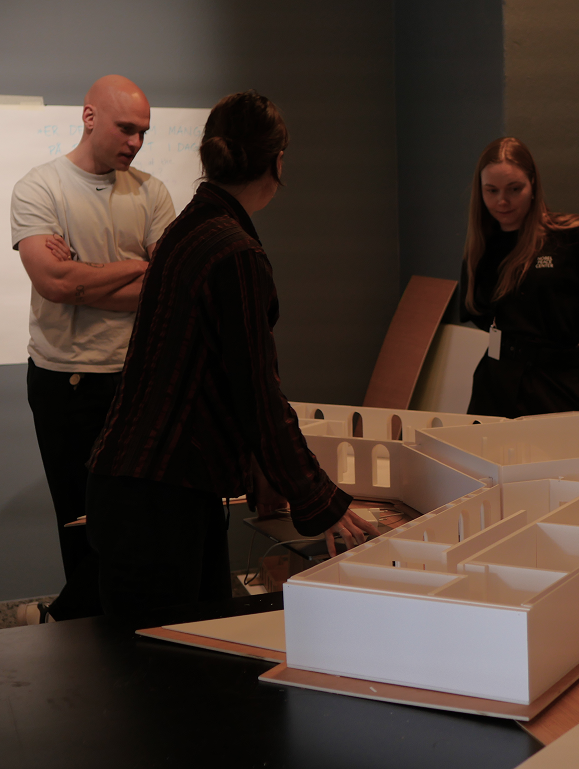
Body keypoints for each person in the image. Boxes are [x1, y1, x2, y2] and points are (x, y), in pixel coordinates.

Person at [84, 90, 377, 616]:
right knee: (175, 676)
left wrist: (263, 471)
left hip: (135, 487)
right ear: (278, 162)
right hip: (162, 501)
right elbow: (257, 394)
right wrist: (321, 502)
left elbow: (211, 376)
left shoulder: (188, 230)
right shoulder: (235, 252)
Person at [9, 75, 175, 622]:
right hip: (65, 380)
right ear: (89, 117)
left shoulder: (152, 193)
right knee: (79, 515)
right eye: (126, 128)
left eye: (143, 133)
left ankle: (86, 621)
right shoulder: (41, 188)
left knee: (136, 516)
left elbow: (166, 292)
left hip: (136, 378)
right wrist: (135, 266)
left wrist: (84, 275)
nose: (135, 142)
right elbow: (53, 284)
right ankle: (80, 629)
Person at [460, 137, 579, 419]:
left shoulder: (573, 237)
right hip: (496, 383)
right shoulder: (482, 244)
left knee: (560, 461)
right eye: (491, 190)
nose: (502, 201)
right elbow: (475, 310)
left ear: (533, 185)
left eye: (515, 189)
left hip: (556, 382)